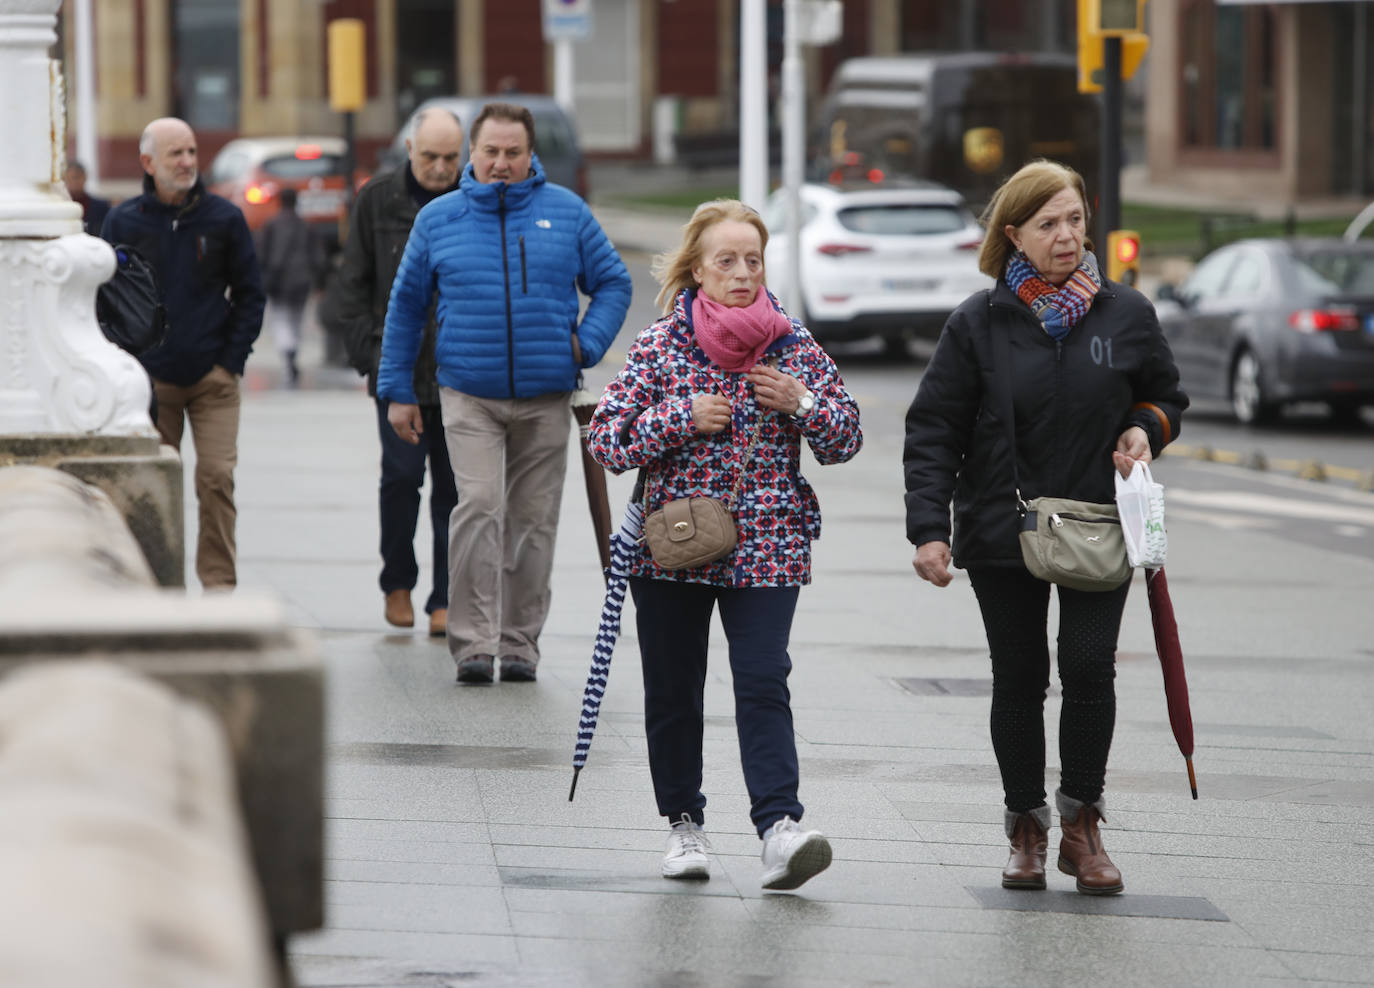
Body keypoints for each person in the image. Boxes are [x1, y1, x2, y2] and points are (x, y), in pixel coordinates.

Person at [902, 160, 1188, 896]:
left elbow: (1164, 397)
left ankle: (1082, 824)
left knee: (1090, 669)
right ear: (1014, 236)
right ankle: (1025, 826)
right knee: (1020, 678)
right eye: (1048, 224)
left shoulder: (1126, 314)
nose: (1067, 236)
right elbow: (935, 427)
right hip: (1003, 525)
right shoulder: (977, 321)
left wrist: (1143, 430)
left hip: (1098, 523)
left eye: (1075, 219)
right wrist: (929, 529)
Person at [586, 199, 863, 891]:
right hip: (672, 550)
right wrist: (681, 417)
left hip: (770, 546)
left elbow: (846, 438)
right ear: (697, 271)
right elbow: (606, 441)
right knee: (673, 690)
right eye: (726, 262)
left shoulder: (792, 344)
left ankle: (780, 829)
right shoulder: (661, 345)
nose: (742, 274)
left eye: (753, 261)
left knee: (764, 679)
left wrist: (800, 402)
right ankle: (684, 825)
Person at [378, 101, 632, 682]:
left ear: (530, 154)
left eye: (512, 153)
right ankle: (473, 642)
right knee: (479, 509)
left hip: (546, 396)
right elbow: (407, 307)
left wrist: (586, 343)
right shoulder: (438, 220)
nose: (500, 163)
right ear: (473, 152)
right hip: (468, 393)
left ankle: (519, 643)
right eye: (490, 151)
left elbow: (613, 282)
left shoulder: (565, 212)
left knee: (533, 521)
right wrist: (397, 390)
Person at [101, 117, 266, 591]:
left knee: (216, 479)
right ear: (149, 163)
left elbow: (251, 294)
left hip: (213, 379)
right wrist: (130, 365)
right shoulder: (123, 221)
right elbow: (107, 301)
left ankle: (218, 586)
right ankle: (160, 585)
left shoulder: (224, 219)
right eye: (176, 154)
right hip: (150, 384)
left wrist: (229, 361)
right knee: (156, 487)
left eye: (192, 151)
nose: (188, 162)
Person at [319, 109, 463, 637]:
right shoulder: (376, 201)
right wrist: (373, 361)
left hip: (459, 375)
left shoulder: (467, 200)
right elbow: (352, 287)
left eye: (451, 157)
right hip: (397, 370)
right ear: (408, 148)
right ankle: (397, 582)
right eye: (430, 157)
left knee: (455, 491)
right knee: (401, 480)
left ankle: (445, 597)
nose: (441, 168)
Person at [256, 188, 323, 387]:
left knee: (280, 319)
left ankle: (288, 353)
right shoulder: (305, 226)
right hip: (301, 281)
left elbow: (260, 254)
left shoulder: (270, 225)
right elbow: (317, 256)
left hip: (278, 281)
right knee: (296, 320)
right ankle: (292, 350)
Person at [65, 160, 110, 236]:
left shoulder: (102, 207)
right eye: (68, 179)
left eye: (76, 177)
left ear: (85, 177)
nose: (73, 182)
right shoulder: (60, 207)